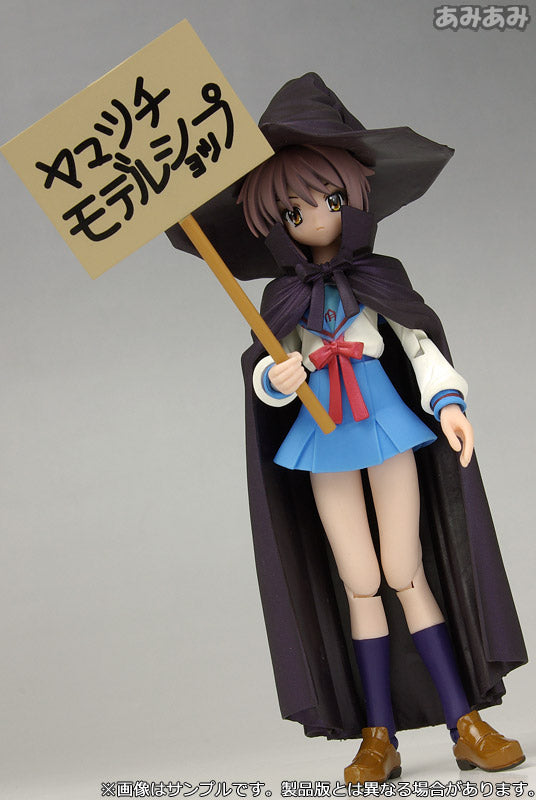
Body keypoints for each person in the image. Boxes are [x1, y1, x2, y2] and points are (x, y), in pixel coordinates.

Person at [166, 73, 527, 784]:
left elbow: (419, 345)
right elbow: (265, 374)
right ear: (274, 222)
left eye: (331, 199)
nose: (316, 217)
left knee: (405, 570)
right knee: (359, 581)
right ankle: (377, 736)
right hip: (324, 441)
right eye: (294, 209)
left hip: (387, 429)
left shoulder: (378, 277)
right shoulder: (284, 297)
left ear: (356, 197)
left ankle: (465, 723)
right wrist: (280, 377)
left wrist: (448, 403)